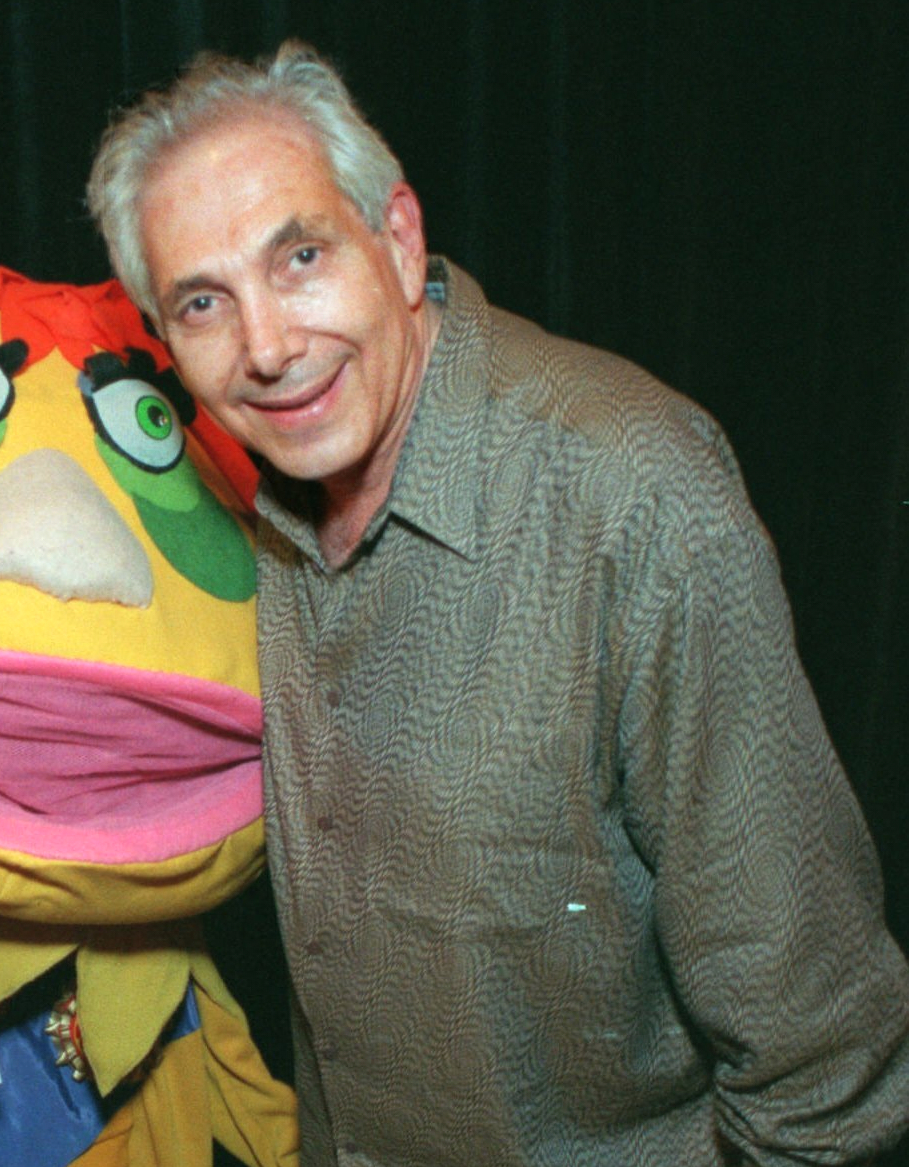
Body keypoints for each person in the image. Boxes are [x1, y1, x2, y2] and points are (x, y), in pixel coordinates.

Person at [87, 40, 909, 1166]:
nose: (267, 347)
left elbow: (823, 1067)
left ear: (398, 235)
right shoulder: (236, 516)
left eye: (301, 256)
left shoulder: (633, 495)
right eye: (201, 302)